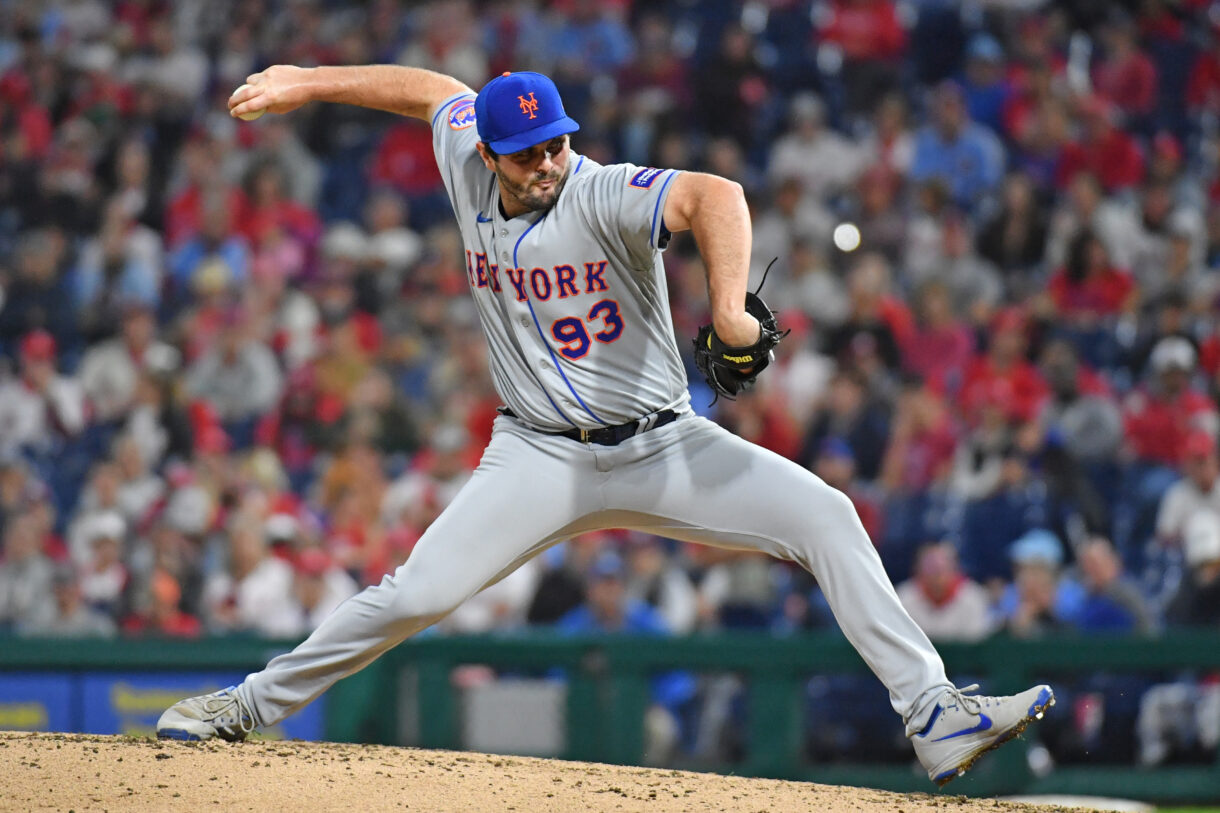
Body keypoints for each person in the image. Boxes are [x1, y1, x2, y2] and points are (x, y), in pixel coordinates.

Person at [156, 63, 1053, 786]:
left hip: (666, 443)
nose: (545, 163)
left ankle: (931, 711)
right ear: (493, 153)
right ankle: (245, 705)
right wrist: (311, 81)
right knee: (416, 596)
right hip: (537, 454)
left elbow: (717, 196)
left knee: (827, 514)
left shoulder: (602, 191)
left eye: (555, 143)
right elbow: (429, 89)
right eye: (527, 153)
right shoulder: (467, 154)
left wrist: (731, 312)